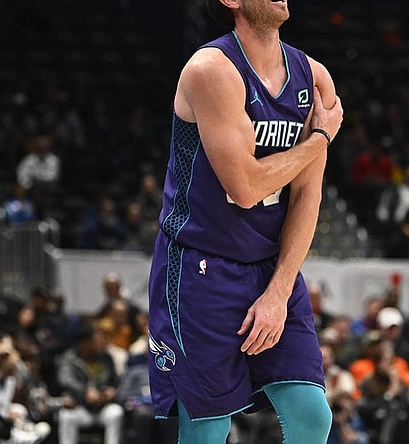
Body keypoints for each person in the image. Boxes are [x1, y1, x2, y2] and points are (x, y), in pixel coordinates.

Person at [146, 0, 344, 442]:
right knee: (208, 429)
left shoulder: (314, 77)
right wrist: (320, 137)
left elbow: (307, 196)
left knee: (313, 415)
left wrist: (278, 292)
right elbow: (246, 188)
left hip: (271, 264)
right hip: (201, 266)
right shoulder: (211, 70)